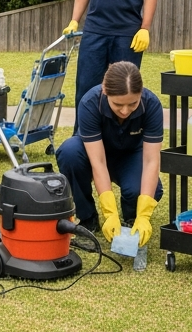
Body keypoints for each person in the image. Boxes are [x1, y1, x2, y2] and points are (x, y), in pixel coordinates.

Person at [55, 62, 165, 246]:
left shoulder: (152, 105)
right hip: (95, 154)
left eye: (133, 104)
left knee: (144, 190)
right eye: (118, 104)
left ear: (141, 92)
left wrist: (144, 213)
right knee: (69, 152)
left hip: (130, 156)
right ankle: (88, 218)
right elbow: (97, 162)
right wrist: (109, 212)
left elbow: (151, 161)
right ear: (105, 91)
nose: (125, 111)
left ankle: (132, 217)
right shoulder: (90, 103)